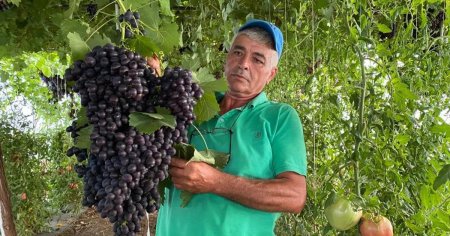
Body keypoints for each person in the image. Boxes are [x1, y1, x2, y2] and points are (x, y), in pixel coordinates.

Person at [156, 19, 308, 236]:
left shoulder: (279, 117)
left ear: (271, 74)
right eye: (238, 52)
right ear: (227, 59)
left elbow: (294, 196)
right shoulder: (191, 105)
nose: (244, 63)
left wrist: (216, 182)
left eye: (258, 59)